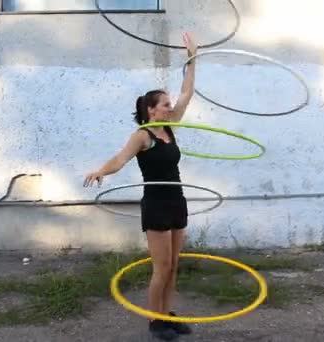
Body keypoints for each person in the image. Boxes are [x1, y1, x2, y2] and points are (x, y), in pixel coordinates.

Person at [83, 32, 198, 341]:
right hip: (157, 204)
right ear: (151, 109)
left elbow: (188, 92)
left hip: (177, 200)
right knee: (161, 268)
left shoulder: (170, 129)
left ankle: (167, 315)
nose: (171, 106)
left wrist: (192, 58)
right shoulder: (142, 136)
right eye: (165, 104)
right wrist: (100, 171)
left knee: (174, 265)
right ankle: (154, 321)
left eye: (169, 104)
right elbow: (120, 159)